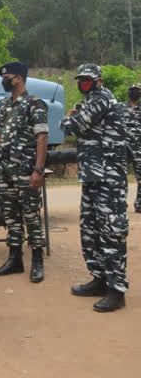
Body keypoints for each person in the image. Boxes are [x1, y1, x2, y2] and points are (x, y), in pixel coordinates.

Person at [60, 64, 129, 312]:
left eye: (87, 79)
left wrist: (69, 117)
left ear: (98, 80)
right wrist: (74, 115)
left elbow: (74, 126)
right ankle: (99, 279)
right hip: (92, 175)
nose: (83, 83)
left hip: (109, 176)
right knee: (90, 228)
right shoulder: (89, 100)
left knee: (111, 231)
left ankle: (116, 290)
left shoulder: (101, 99)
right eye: (80, 79)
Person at [0, 62, 48, 283]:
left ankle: (37, 260)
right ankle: (15, 259)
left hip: (25, 169)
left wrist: (38, 171)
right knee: (10, 215)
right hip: (5, 170)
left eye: (7, 77)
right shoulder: (3, 105)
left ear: (19, 78)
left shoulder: (35, 105)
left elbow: (42, 138)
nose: (4, 81)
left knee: (30, 214)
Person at [123, 83, 141, 213]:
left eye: (137, 91)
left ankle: (139, 204)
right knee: (120, 178)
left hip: (139, 149)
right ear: (128, 92)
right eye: (132, 90)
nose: (134, 92)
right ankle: (120, 204)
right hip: (124, 148)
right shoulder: (120, 108)